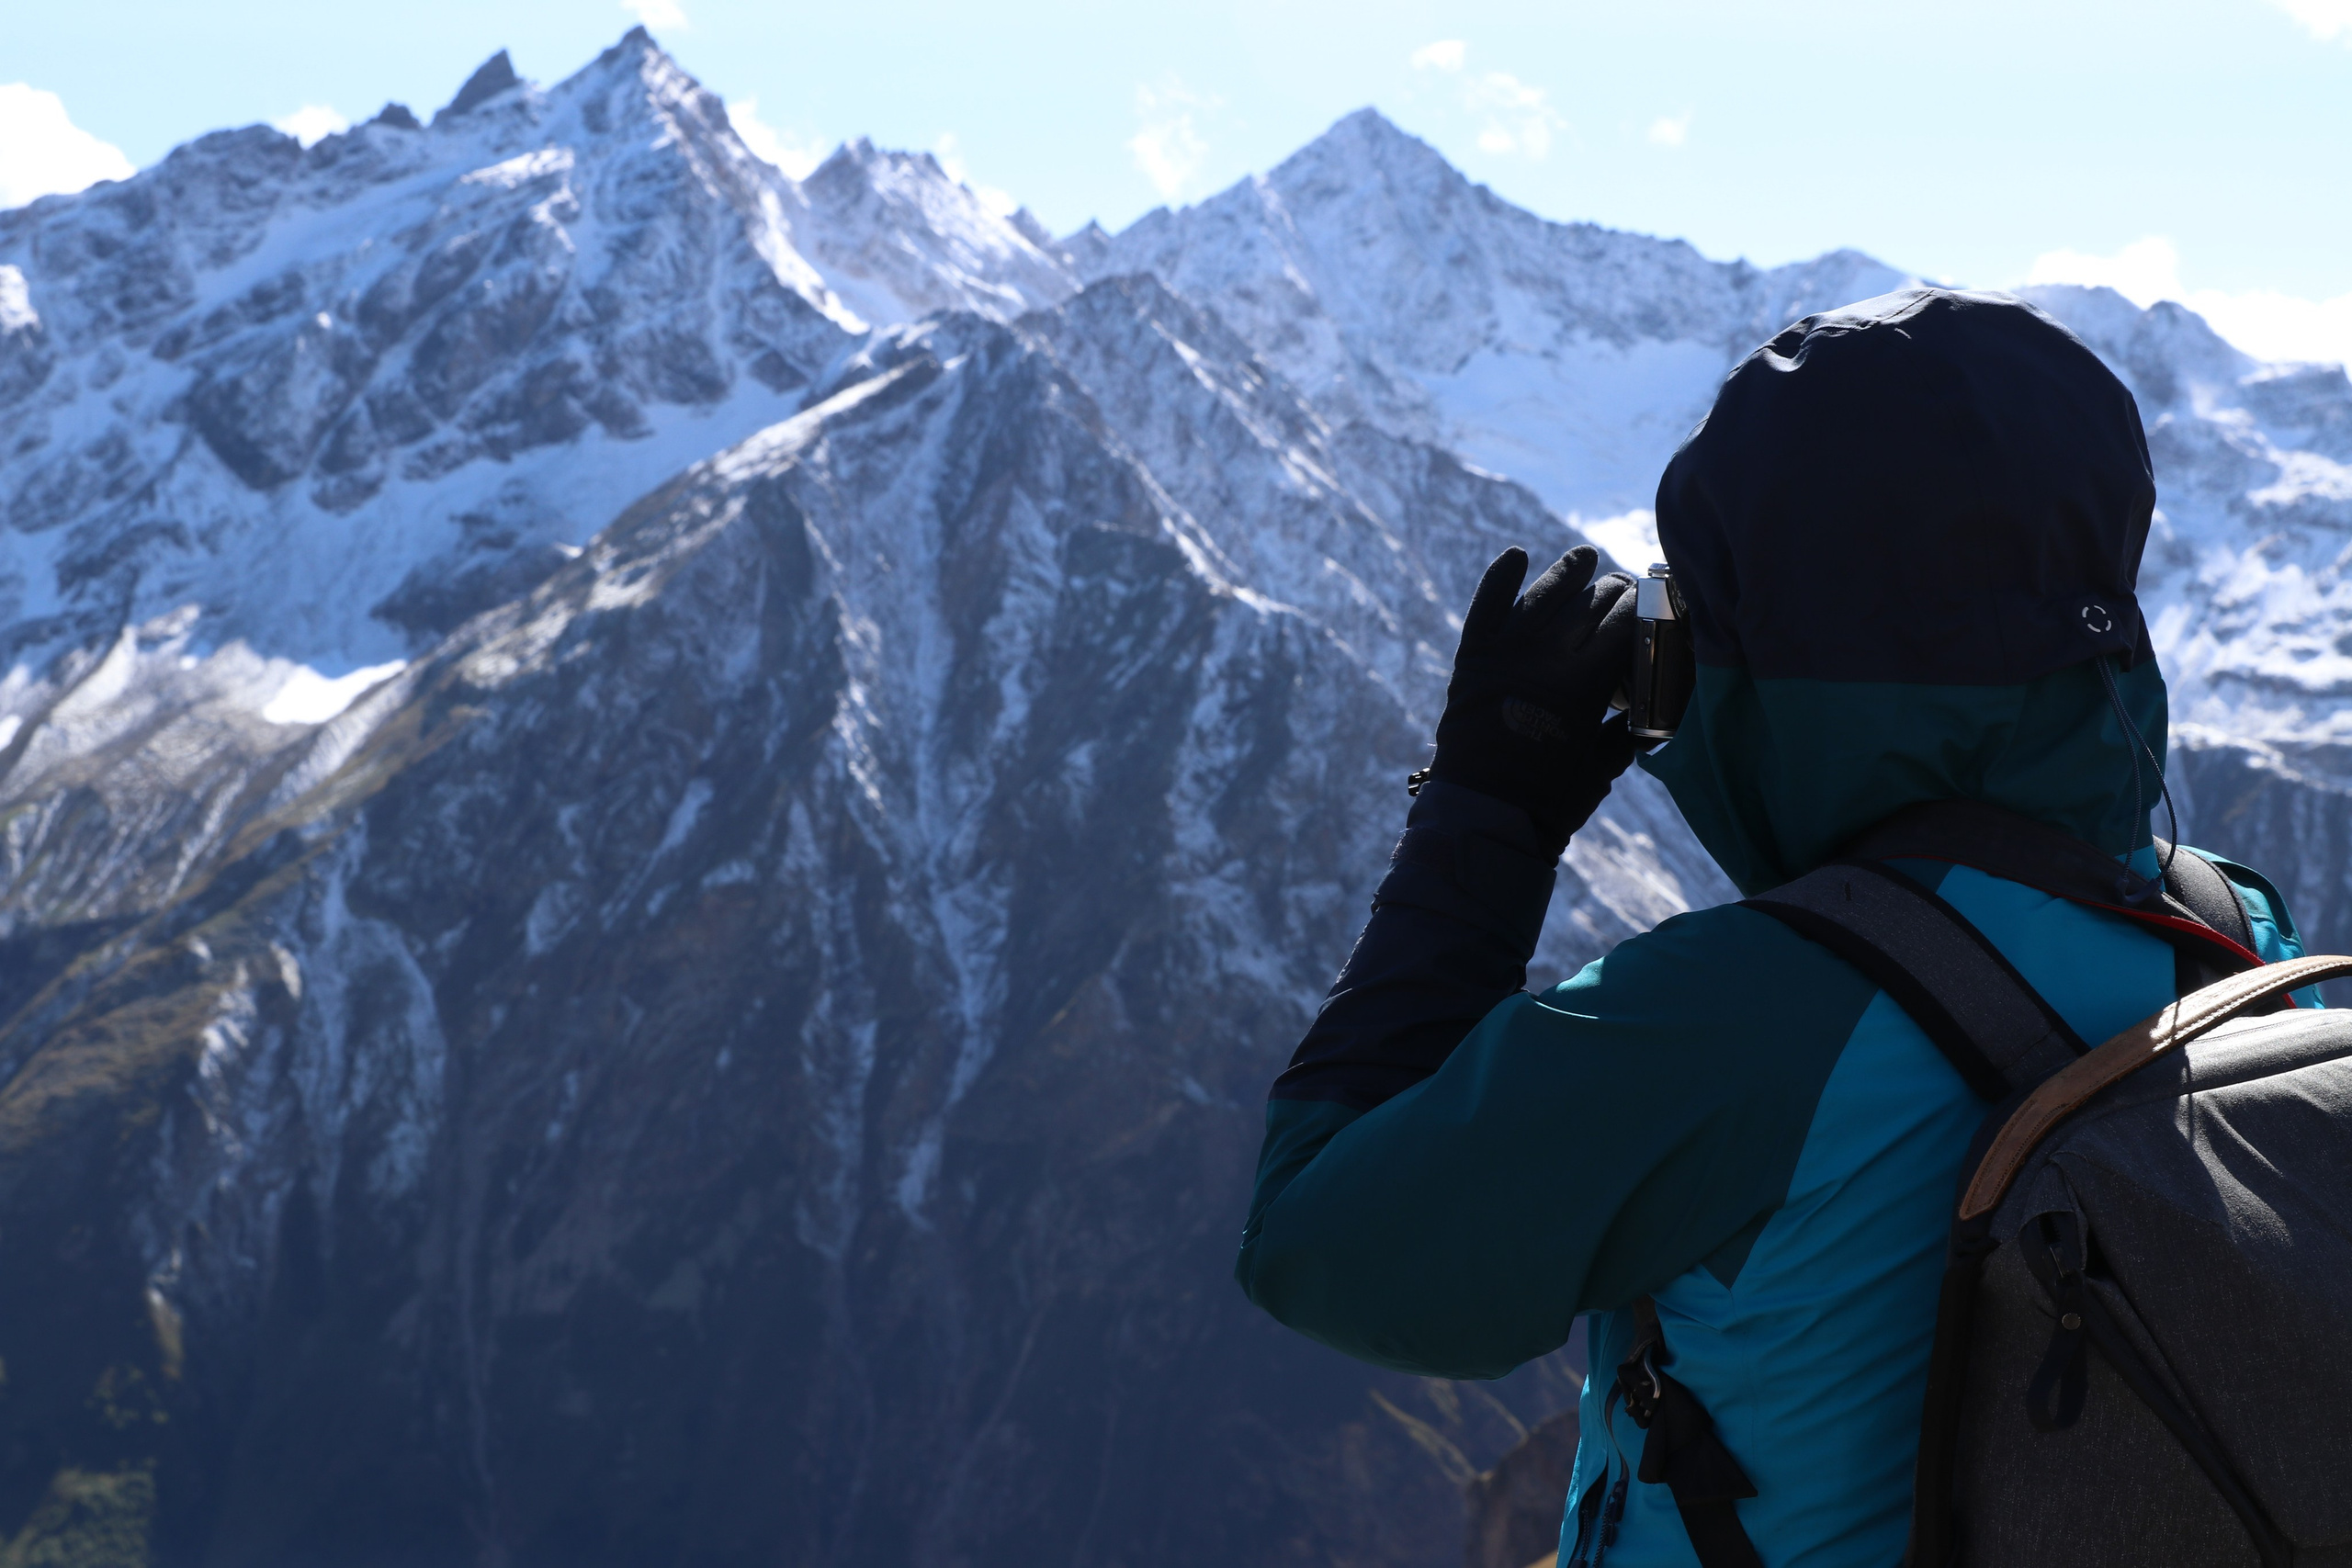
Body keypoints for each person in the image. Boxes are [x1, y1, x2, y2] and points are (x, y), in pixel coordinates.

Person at [1234, 288, 2318, 1567]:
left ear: (1767, 669)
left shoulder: (1729, 1020)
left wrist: (1485, 821)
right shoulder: (2236, 931)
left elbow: (1317, 1247)